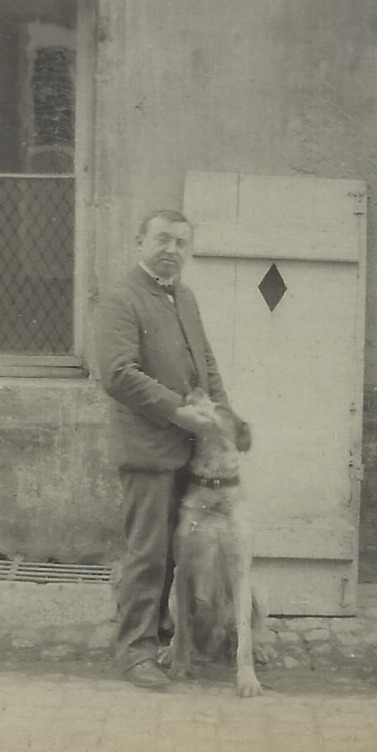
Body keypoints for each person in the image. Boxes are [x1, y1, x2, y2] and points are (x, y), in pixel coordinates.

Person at [98, 208, 244, 689]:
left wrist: (221, 416)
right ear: (139, 242)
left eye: (181, 243)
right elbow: (118, 374)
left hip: (194, 452)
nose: (171, 251)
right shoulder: (122, 299)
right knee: (149, 552)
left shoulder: (185, 297)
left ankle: (166, 637)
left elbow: (207, 364)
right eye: (162, 239)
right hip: (148, 450)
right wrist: (177, 412)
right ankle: (134, 651)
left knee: (181, 556)